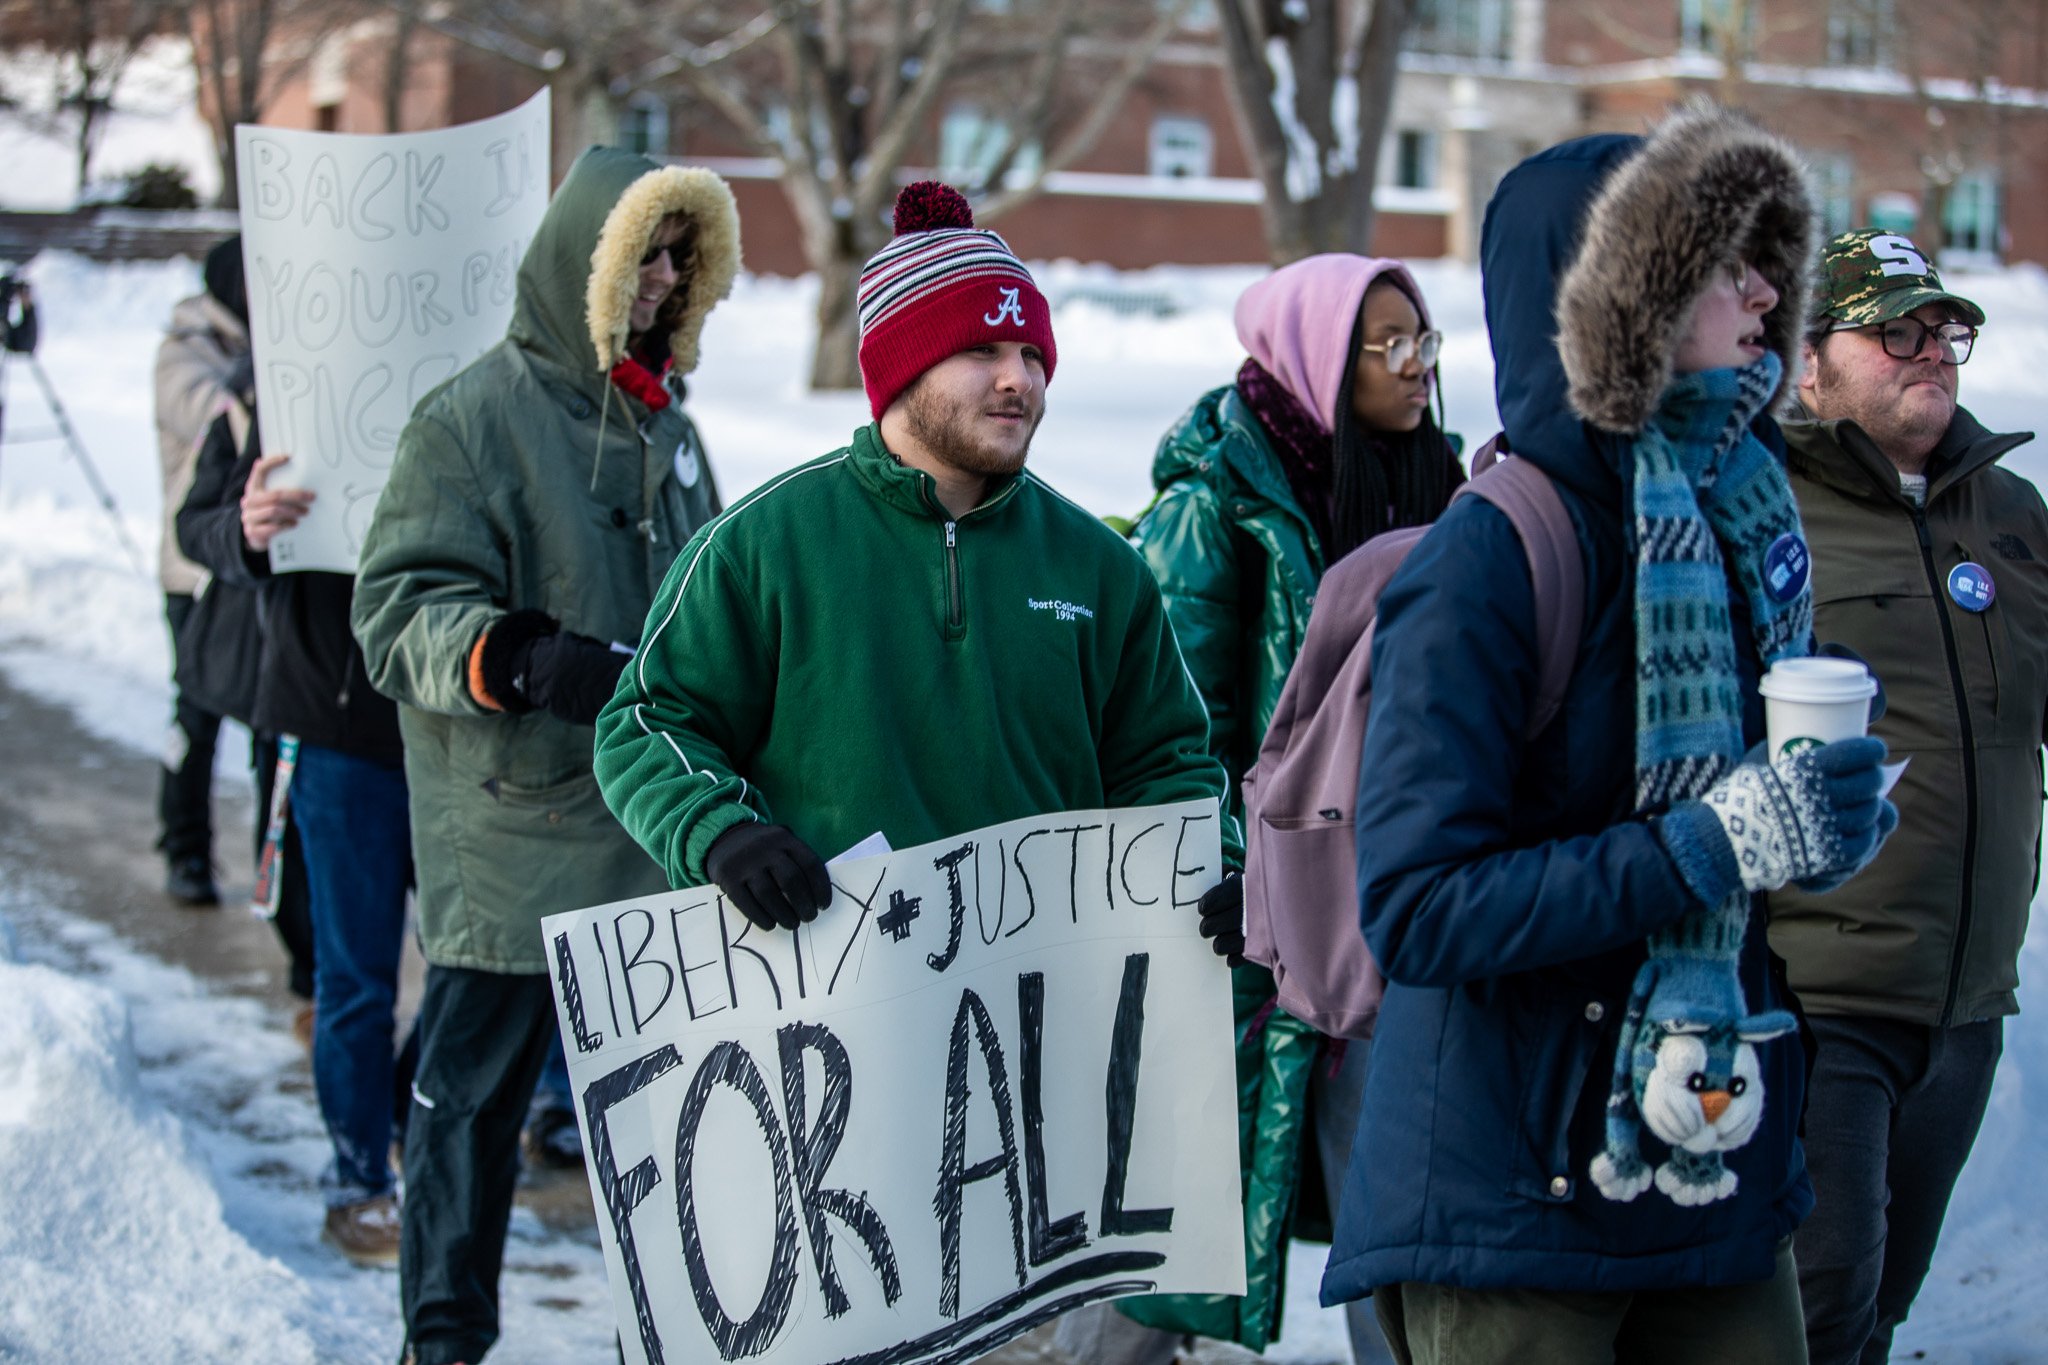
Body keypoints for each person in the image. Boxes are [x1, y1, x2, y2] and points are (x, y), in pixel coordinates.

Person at [589, 174, 1239, 1306]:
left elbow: (1168, 758)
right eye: (982, 352)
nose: (1017, 379)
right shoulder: (768, 545)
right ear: (898, 367)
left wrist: (1201, 860)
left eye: (1032, 356)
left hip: (1026, 1074)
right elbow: (646, 721)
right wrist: (721, 835)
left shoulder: (1097, 568)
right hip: (818, 1045)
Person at [1318, 102, 1897, 1364]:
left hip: (1716, 1162)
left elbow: (1739, 839)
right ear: (1614, 303)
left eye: (1764, 258)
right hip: (1516, 1200)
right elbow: (1417, 910)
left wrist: (1811, 826)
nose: (1758, 290)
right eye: (1715, 260)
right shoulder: (1488, 560)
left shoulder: (1743, 514)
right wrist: (1705, 845)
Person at [350, 148, 740, 1365]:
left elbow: (714, 592)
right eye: (644, 257)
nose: (663, 280)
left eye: (681, 259)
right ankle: (444, 1340)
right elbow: (396, 610)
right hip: (516, 839)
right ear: (588, 263)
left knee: (680, 1126)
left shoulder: (670, 425)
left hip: (648, 835)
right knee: (469, 1116)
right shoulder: (471, 418)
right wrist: (518, 657)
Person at [1095, 255, 1462, 1365]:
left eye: (1422, 338)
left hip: (1391, 901)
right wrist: (1229, 871)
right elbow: (1163, 724)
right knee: (1175, 1206)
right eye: (1381, 341)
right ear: (1312, 354)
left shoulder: (1445, 486)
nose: (1414, 364)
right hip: (1236, 915)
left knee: (1391, 1202)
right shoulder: (1218, 508)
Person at [1769, 229, 2045, 1365]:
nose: (1929, 350)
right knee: (1810, 1314)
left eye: (1944, 330)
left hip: (1966, 1001)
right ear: (1806, 362)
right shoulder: (1759, 510)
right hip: (1814, 999)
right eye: (1892, 329)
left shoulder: (2010, 513)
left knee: (1877, 1310)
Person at [177, 396, 418, 1266]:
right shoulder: (270, 370)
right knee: (353, 980)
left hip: (459, 721)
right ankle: (359, 1181)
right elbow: (194, 526)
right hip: (332, 724)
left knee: (488, 967)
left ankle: (399, 1116)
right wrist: (243, 528)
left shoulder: (471, 320)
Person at [152, 235, 254, 904]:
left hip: (244, 570)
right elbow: (208, 414)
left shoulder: (251, 347)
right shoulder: (186, 347)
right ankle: (183, 847)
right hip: (193, 572)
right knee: (196, 714)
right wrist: (256, 382)